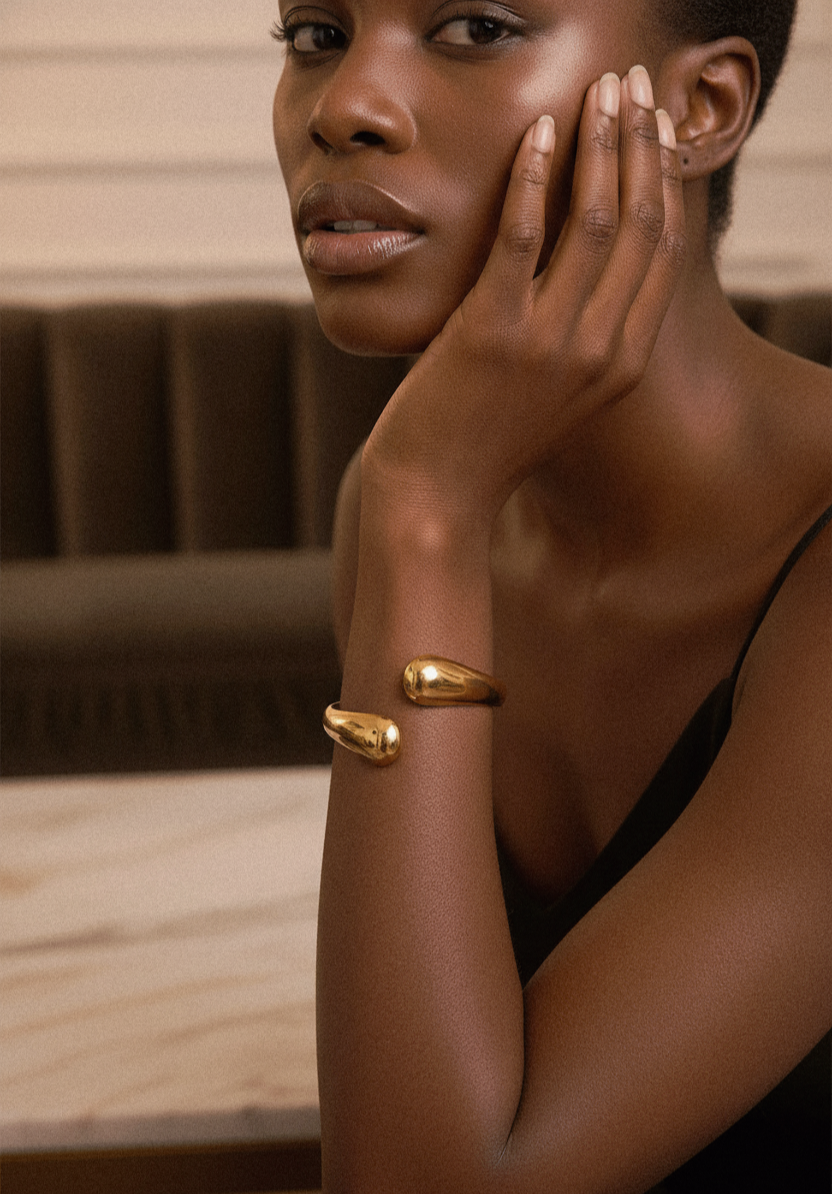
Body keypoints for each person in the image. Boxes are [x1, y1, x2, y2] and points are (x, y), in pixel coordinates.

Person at [271, 0, 831, 1189]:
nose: (342, 107)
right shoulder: (412, 495)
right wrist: (424, 509)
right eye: (314, 32)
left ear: (700, 108)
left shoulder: (416, 498)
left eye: (474, 26)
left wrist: (424, 512)